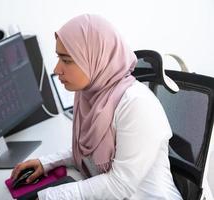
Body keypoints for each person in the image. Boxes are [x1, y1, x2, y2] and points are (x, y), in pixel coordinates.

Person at [11, 14, 182, 200]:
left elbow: (120, 185)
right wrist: (48, 163)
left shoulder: (137, 105)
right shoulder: (90, 95)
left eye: (66, 60)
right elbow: (90, 152)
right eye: (58, 58)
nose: (57, 69)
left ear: (95, 57)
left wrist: (47, 197)